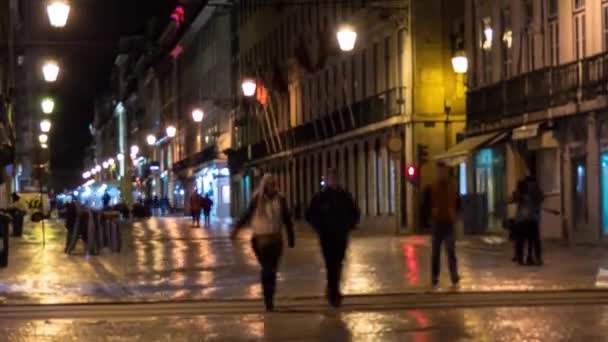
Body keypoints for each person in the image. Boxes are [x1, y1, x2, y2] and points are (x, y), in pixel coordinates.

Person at [231, 174, 295, 311]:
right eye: (269, 184)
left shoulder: (280, 199)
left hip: (276, 240)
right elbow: (247, 214)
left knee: (272, 270)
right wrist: (236, 229)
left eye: (274, 184)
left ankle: (270, 295)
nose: (272, 186)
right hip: (260, 240)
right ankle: (268, 299)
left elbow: (287, 219)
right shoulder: (257, 199)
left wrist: (291, 237)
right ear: (264, 185)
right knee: (267, 269)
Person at [306, 168, 359, 307]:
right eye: (331, 179)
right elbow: (310, 214)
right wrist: (319, 228)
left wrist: (349, 225)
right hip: (327, 236)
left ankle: (332, 288)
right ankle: (334, 293)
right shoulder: (321, 197)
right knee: (331, 264)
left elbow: (354, 211)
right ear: (328, 180)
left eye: (335, 178)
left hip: (341, 235)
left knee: (339, 263)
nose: (334, 181)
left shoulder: (344, 196)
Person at [429, 162, 461, 289]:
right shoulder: (432, 188)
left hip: (449, 224)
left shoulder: (452, 187)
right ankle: (434, 276)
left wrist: (456, 214)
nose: (442, 174)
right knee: (436, 252)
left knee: (450, 250)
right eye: (440, 171)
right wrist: (431, 215)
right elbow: (426, 205)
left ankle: (454, 275)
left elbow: (458, 203)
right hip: (437, 224)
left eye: (444, 171)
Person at [513, 175, 544, 265]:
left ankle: (524, 257)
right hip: (528, 219)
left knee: (525, 239)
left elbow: (539, 199)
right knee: (531, 239)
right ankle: (529, 257)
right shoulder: (532, 192)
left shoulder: (531, 192)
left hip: (526, 219)